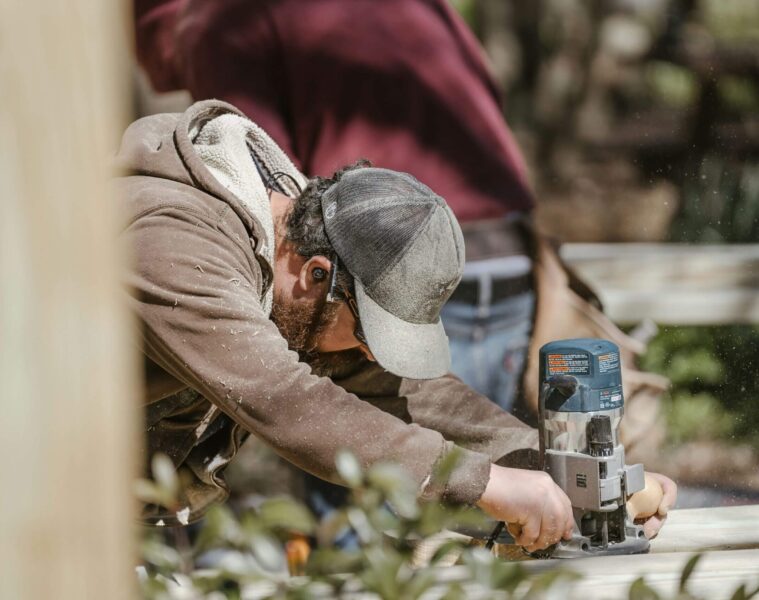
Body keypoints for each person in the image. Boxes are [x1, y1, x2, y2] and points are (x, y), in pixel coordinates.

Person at [115, 100, 675, 549]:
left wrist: (569, 476)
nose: (370, 357)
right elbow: (283, 399)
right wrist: (486, 484)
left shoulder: (305, 272)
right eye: (367, 335)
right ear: (317, 274)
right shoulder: (172, 241)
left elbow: (408, 393)